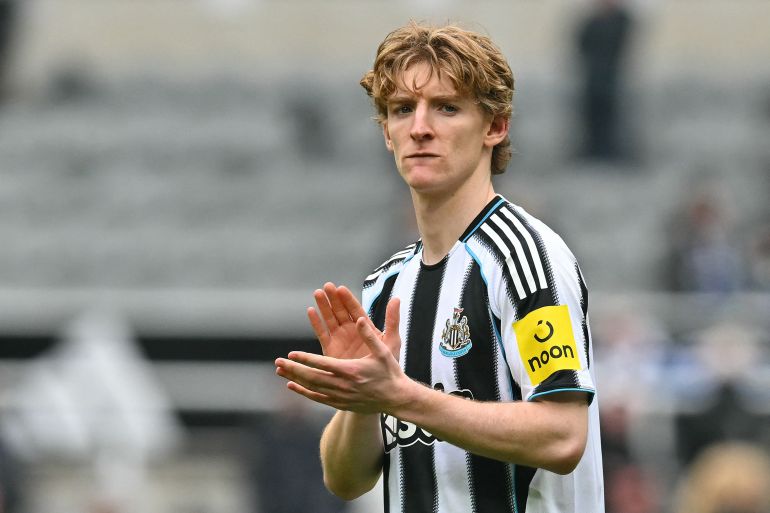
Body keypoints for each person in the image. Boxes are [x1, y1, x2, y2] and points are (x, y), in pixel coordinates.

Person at [275, 21, 604, 513]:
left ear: (495, 127)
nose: (420, 127)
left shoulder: (526, 256)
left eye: (447, 107)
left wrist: (402, 397)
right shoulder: (386, 286)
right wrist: (361, 399)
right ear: (387, 134)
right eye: (402, 109)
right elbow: (344, 480)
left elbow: (563, 435)